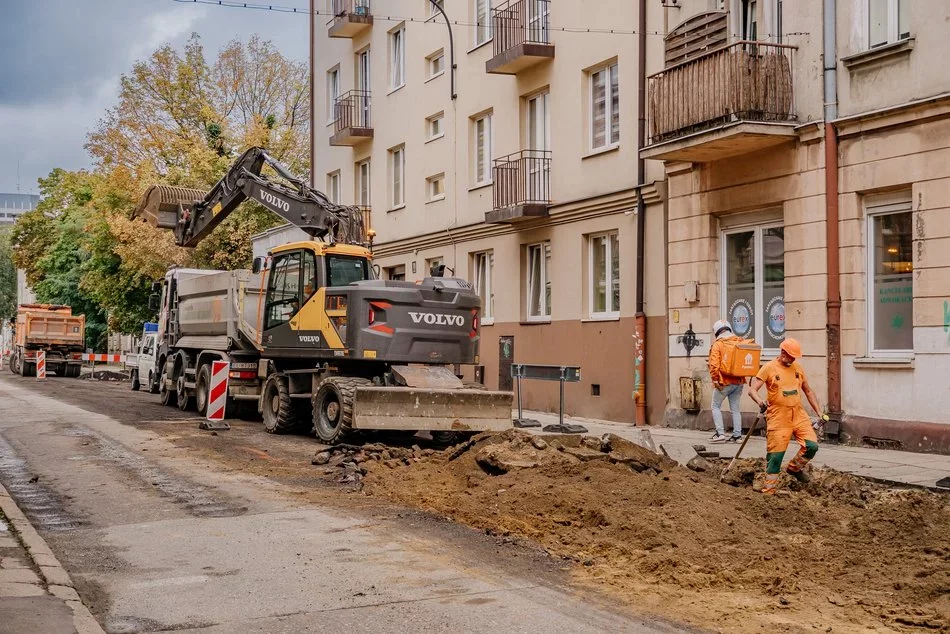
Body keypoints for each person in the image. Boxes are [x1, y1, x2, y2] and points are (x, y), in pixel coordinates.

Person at [747, 338, 830, 494]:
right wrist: (760, 401)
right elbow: (752, 390)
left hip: (798, 414)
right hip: (778, 417)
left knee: (812, 446)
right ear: (783, 352)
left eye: (794, 357)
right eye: (790, 356)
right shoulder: (769, 368)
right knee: (776, 456)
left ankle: (794, 468)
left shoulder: (798, 368)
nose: (792, 360)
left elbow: (808, 391)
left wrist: (819, 412)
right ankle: (769, 491)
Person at [706, 319, 744, 443]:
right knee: (735, 409)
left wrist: (715, 380)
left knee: (715, 405)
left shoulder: (718, 344)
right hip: (739, 381)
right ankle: (737, 436)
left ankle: (720, 433)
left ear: (716, 332)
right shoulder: (739, 341)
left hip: (724, 381)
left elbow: (714, 364)